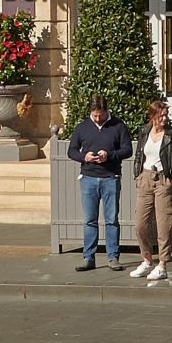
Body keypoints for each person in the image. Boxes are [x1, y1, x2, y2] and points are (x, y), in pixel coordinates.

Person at [66, 100, 133, 271]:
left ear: (106, 111)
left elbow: (127, 149)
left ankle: (113, 257)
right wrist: (84, 157)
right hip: (88, 177)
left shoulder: (118, 125)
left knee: (111, 220)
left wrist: (109, 155)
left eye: (100, 115)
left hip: (110, 177)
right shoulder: (82, 127)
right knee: (90, 220)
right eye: (94, 115)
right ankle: (88, 257)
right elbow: (72, 150)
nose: (97, 118)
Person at [128, 100, 172, 282]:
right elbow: (138, 155)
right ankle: (146, 259)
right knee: (140, 224)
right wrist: (137, 175)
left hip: (162, 180)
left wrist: (171, 180)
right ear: (152, 116)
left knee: (163, 225)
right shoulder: (145, 131)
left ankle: (162, 264)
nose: (164, 119)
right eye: (161, 116)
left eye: (166, 115)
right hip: (145, 178)